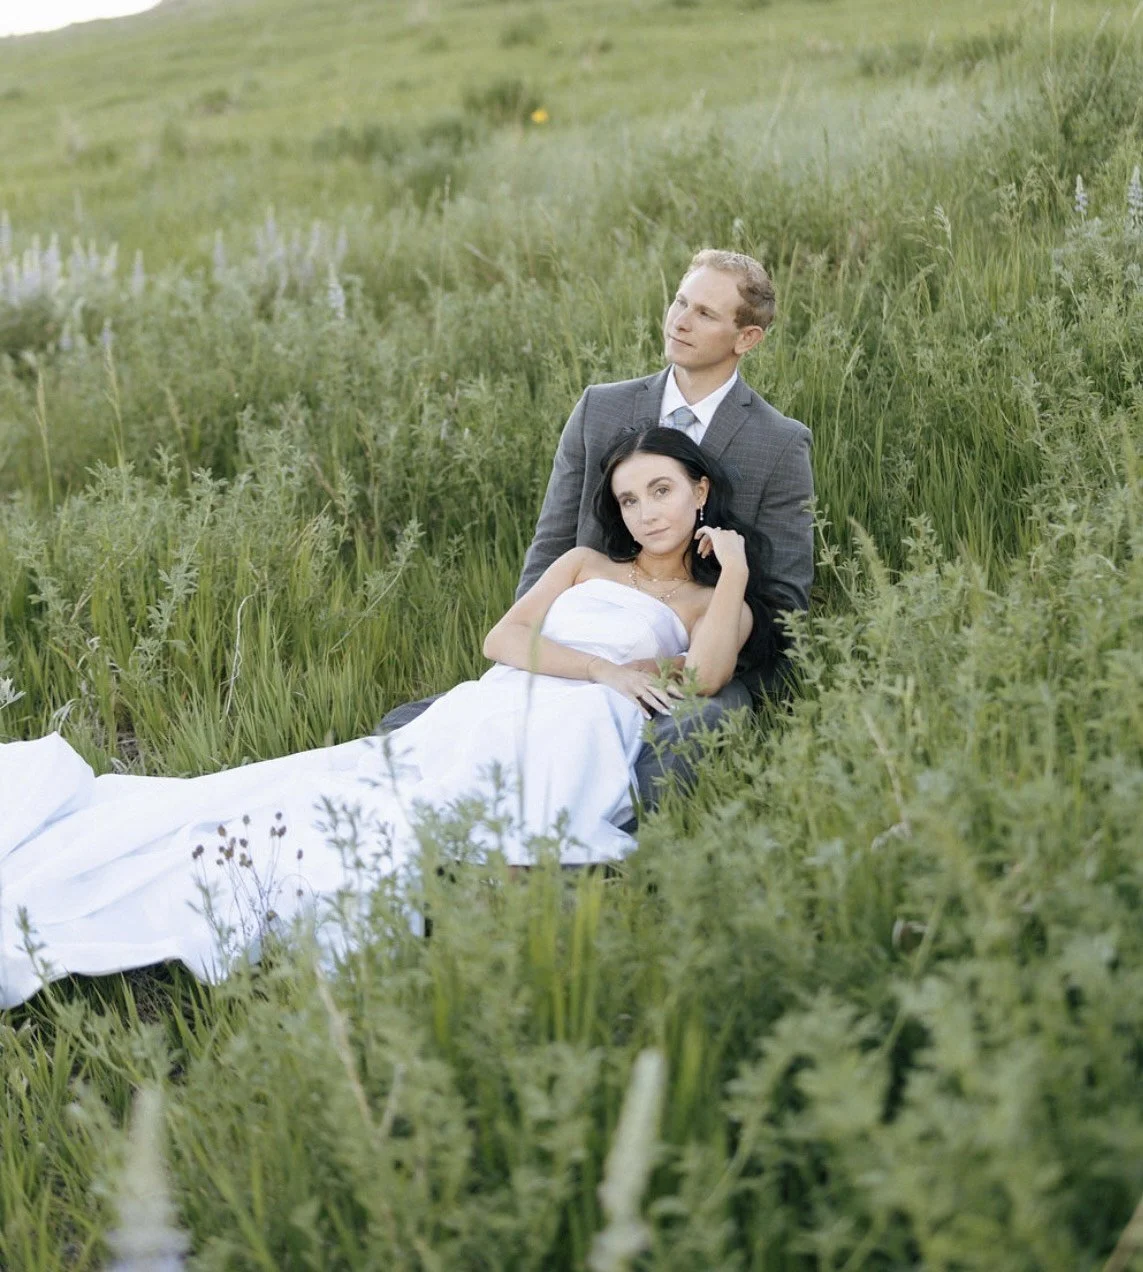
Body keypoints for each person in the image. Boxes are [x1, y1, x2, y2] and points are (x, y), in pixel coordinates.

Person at [0, 430, 779, 1010]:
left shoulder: (715, 603)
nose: (644, 513)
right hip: (508, 694)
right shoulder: (585, 564)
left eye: (661, 491)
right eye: (629, 499)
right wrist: (606, 667)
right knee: (340, 792)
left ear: (699, 491)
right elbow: (502, 639)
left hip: (581, 727)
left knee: (434, 821)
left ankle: (476, 874)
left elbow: (706, 676)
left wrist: (735, 570)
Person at [380, 248, 814, 805]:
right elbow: (553, 542)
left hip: (704, 649)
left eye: (705, 313)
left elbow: (784, 596)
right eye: (680, 301)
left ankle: (603, 857)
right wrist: (545, 652)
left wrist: (686, 665)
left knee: (676, 744)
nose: (680, 320)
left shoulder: (777, 442)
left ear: (746, 338)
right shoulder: (601, 408)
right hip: (584, 641)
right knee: (416, 730)